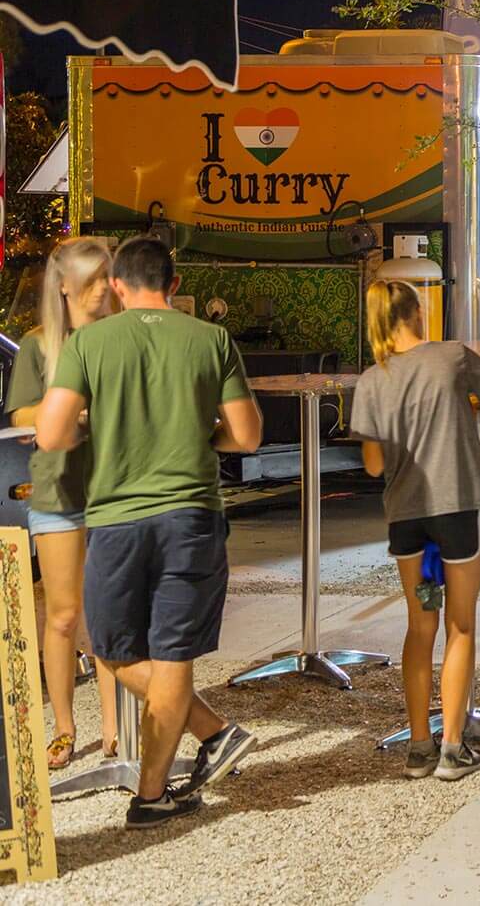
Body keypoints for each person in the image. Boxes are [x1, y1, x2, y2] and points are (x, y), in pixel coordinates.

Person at [36, 237, 262, 827]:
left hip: (114, 519)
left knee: (111, 646)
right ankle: (209, 737)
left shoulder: (89, 343)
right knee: (172, 651)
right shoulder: (211, 339)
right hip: (192, 516)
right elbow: (246, 436)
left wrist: (105, 426)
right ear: (174, 281)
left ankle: (153, 794)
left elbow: (52, 434)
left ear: (117, 285)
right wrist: (196, 437)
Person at [352, 279, 480, 779]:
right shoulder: (454, 357)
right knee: (460, 626)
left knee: (421, 626)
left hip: (406, 515)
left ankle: (418, 747)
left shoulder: (372, 380)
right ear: (417, 312)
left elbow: (372, 466)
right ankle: (453, 749)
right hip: (456, 509)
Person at [6, 237, 120, 770]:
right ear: (66, 286)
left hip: (116, 490)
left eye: (107, 278)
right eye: (93, 280)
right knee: (63, 616)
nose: (102, 290)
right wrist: (65, 411)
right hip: (56, 491)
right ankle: (65, 728)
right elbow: (21, 416)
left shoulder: (118, 340)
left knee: (108, 618)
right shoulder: (38, 345)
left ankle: (117, 726)